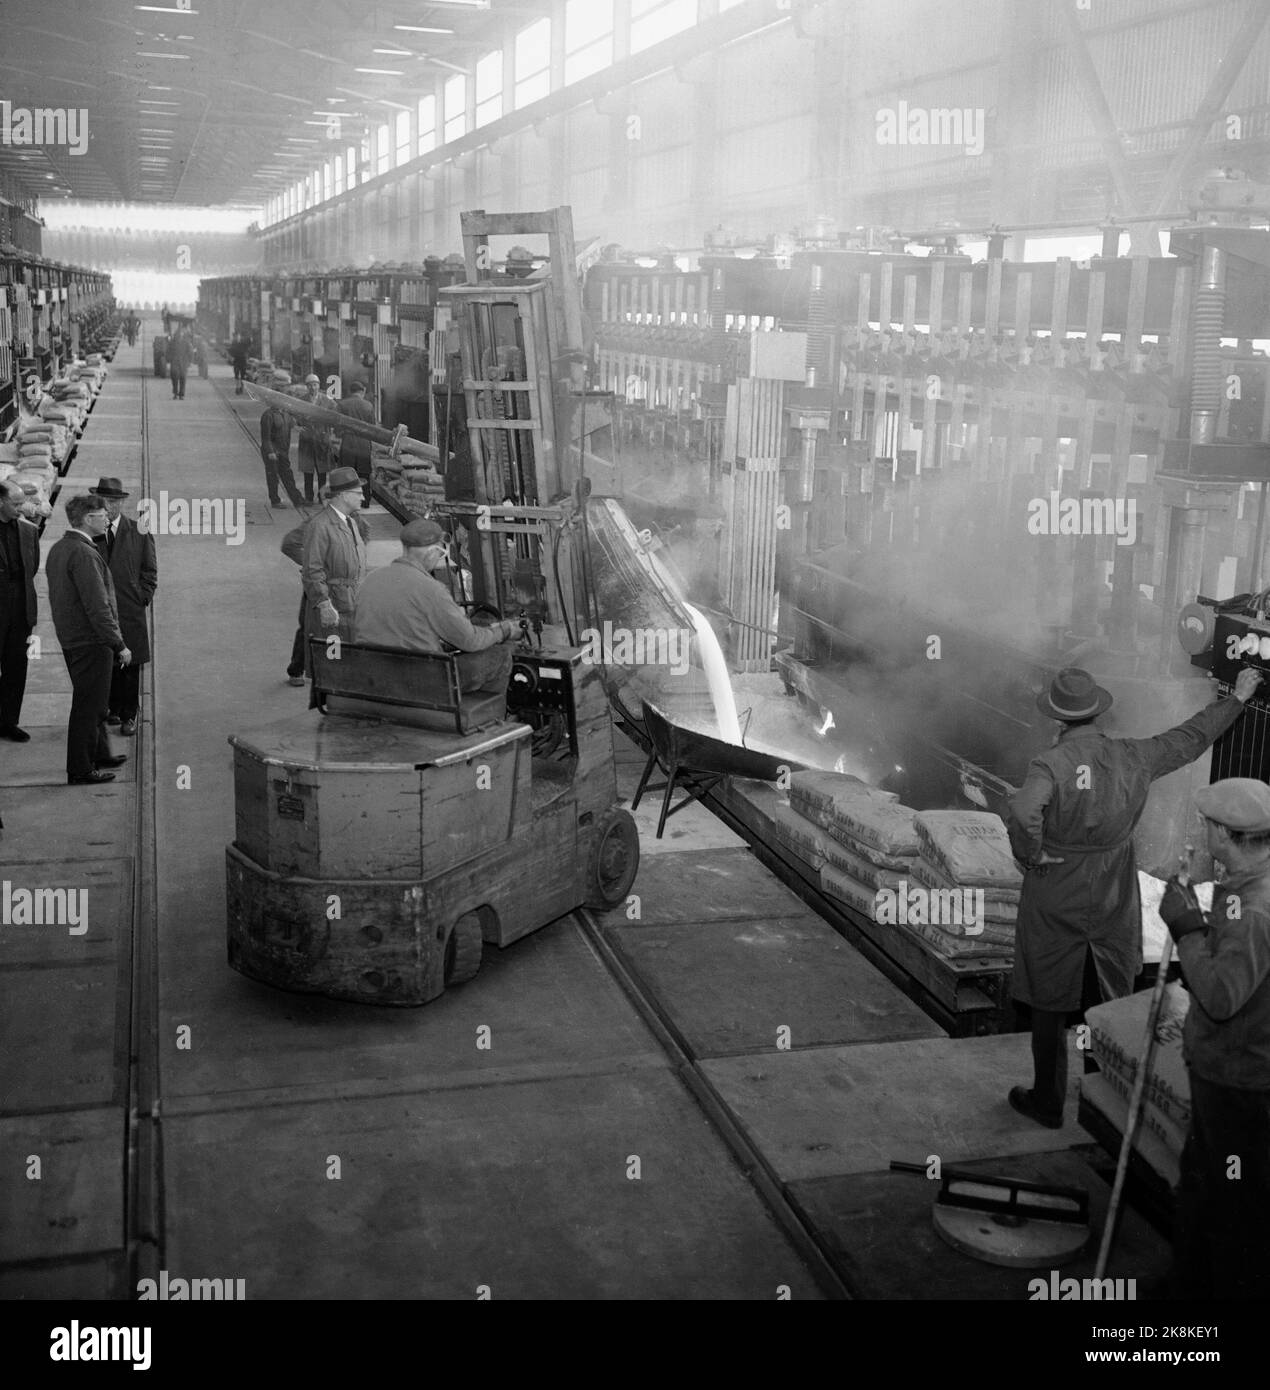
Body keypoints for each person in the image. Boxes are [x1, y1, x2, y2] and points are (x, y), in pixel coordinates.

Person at [1005, 665, 1261, 1128]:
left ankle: (1047, 1100)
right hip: (1111, 882)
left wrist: (1032, 854)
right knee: (1104, 988)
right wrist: (1236, 700)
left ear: (1058, 720)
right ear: (1098, 713)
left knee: (1048, 993)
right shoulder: (1134, 756)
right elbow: (1190, 738)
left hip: (1057, 883)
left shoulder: (1050, 764)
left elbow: (1024, 811)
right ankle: (1102, 1093)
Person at [1159, 776, 1270, 1300]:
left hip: (1240, 1079)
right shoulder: (1250, 890)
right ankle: (1191, 1281)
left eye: (1208, 825)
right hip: (1240, 1069)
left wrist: (1187, 932)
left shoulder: (1253, 910)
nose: (1204, 832)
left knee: (1228, 1197)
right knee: (1208, 1183)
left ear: (1224, 834)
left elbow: (1223, 997)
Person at [353, 518, 517, 695]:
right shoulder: (431, 589)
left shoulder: (370, 580)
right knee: (500, 655)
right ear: (432, 552)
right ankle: (489, 717)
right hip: (420, 680)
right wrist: (503, 630)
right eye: (440, 554)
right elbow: (471, 641)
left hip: (373, 674)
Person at [45, 495, 130, 785]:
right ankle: (80, 769)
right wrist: (118, 643)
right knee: (88, 705)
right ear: (86, 519)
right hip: (91, 641)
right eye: (101, 514)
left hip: (72, 638)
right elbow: (98, 606)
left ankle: (100, 752)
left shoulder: (60, 548)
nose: (107, 518)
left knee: (95, 701)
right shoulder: (83, 553)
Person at [90, 478, 157, 737]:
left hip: (130, 607)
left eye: (114, 501)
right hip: (103, 609)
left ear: (122, 502)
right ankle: (113, 708)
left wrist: (143, 596)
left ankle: (130, 714)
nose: (109, 506)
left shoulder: (137, 530)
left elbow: (149, 568)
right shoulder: (92, 531)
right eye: (105, 500)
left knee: (131, 665)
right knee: (109, 660)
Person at [300, 467, 369, 675]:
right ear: (342, 495)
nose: (363, 497)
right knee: (332, 662)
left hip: (351, 602)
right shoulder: (320, 526)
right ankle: (331, 702)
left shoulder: (351, 522)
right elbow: (312, 570)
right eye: (358, 493)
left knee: (348, 661)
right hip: (334, 606)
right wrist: (324, 604)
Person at [0, 479, 40, 742]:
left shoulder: (28, 531)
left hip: (21, 607)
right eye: (15, 504)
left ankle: (8, 722)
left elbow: (32, 567)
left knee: (16, 667)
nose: (21, 508)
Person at [260, 386, 306, 509]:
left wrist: (299, 428)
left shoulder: (286, 414)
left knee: (287, 475)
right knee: (273, 476)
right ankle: (275, 501)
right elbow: (265, 437)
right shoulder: (268, 415)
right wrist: (270, 452)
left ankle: (297, 500)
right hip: (272, 451)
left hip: (283, 451)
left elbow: (292, 424)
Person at [335, 380, 376, 508]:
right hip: (364, 443)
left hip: (348, 442)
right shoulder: (368, 405)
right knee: (364, 473)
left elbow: (337, 425)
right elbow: (372, 427)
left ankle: (347, 501)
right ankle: (365, 501)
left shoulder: (342, 404)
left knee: (347, 473)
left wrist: (339, 434)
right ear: (362, 391)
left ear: (350, 391)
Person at [297, 373, 334, 502]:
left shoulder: (327, 401)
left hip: (321, 441)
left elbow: (335, 416)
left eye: (315, 385)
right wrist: (298, 426)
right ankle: (308, 497)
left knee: (322, 472)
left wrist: (329, 430)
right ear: (307, 387)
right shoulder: (301, 400)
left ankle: (321, 496)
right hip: (307, 441)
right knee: (308, 472)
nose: (313, 388)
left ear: (319, 385)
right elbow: (294, 415)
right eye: (310, 385)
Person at [168, 328, 192, 399]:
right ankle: (175, 393)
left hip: (183, 363)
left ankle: (181, 394)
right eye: (178, 335)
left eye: (181, 335)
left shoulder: (186, 343)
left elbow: (190, 352)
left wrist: (189, 361)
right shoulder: (172, 343)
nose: (179, 337)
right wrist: (170, 359)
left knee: (183, 378)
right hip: (175, 362)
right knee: (174, 378)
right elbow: (168, 351)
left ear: (183, 336)